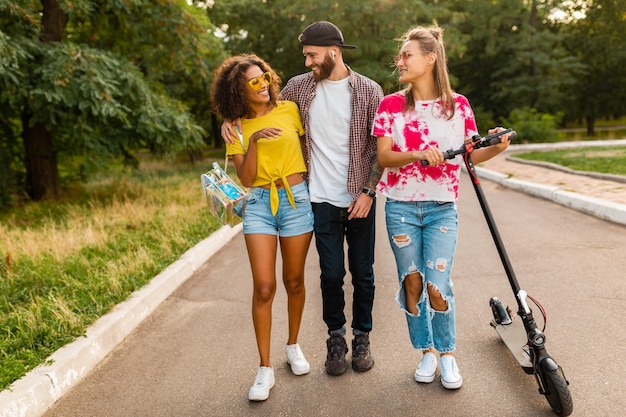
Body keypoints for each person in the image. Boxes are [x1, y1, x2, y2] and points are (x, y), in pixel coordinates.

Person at [222, 21, 384, 376]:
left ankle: (362, 338)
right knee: (330, 275)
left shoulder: (370, 91)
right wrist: (231, 119)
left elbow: (379, 148)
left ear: (333, 51)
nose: (308, 61)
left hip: (360, 197)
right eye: (306, 56)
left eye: (312, 55)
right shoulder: (297, 89)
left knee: (364, 274)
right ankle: (336, 339)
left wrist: (370, 192)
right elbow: (258, 108)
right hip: (318, 198)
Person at [372, 25, 512, 390]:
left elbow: (470, 154)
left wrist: (496, 146)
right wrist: (419, 153)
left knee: (437, 283)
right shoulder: (391, 106)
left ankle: (447, 353)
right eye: (400, 55)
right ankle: (426, 352)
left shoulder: (458, 105)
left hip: (441, 209)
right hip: (400, 207)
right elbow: (384, 156)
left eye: (407, 54)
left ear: (431, 58)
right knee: (413, 283)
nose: (399, 60)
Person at [210, 54, 314, 401]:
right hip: (258, 204)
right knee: (265, 287)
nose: (263, 85)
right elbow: (246, 177)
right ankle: (264, 368)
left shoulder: (289, 110)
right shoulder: (236, 128)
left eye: (264, 77)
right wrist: (252, 141)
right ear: (239, 90)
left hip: (297, 199)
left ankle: (293, 345)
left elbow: (309, 148)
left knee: (294, 280)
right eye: (253, 82)